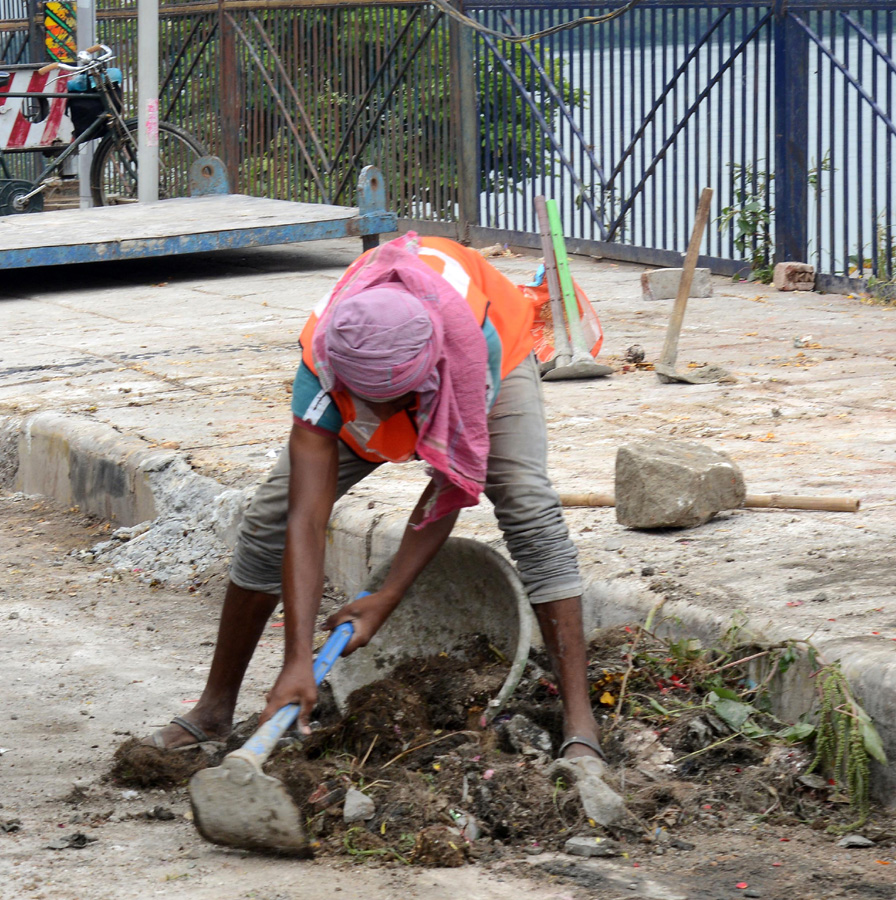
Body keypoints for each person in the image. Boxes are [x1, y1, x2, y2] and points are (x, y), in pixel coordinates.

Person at [143, 232, 603, 762]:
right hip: (379, 377)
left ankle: (581, 724)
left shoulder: (468, 353)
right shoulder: (326, 353)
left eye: (395, 404)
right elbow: (305, 516)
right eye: (371, 403)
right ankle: (214, 708)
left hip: (488, 347)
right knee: (268, 515)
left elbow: (452, 483)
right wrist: (296, 660)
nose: (383, 421)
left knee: (527, 504)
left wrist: (386, 597)